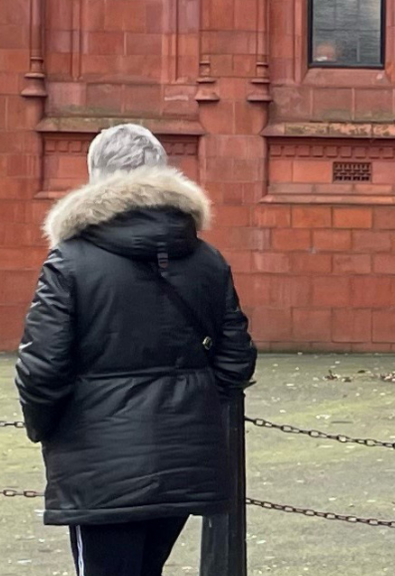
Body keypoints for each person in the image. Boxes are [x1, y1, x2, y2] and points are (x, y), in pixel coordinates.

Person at [14, 123, 258, 576]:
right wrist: (196, 406)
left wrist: (48, 429)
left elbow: (40, 370)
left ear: (95, 176)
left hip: (99, 469)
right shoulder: (206, 258)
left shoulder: (69, 261)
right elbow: (237, 356)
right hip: (186, 458)